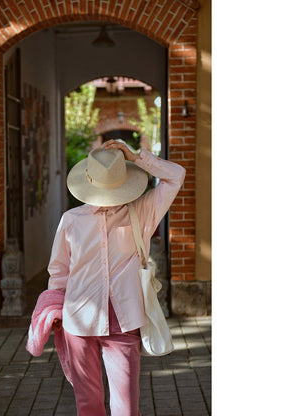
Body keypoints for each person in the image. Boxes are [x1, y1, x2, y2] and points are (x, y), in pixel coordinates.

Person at [47, 139, 185, 416]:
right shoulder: (71, 220)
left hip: (125, 322)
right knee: (88, 404)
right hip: (78, 321)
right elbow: (59, 271)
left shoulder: (142, 212)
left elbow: (176, 176)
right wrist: (54, 310)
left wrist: (136, 157)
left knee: (126, 406)